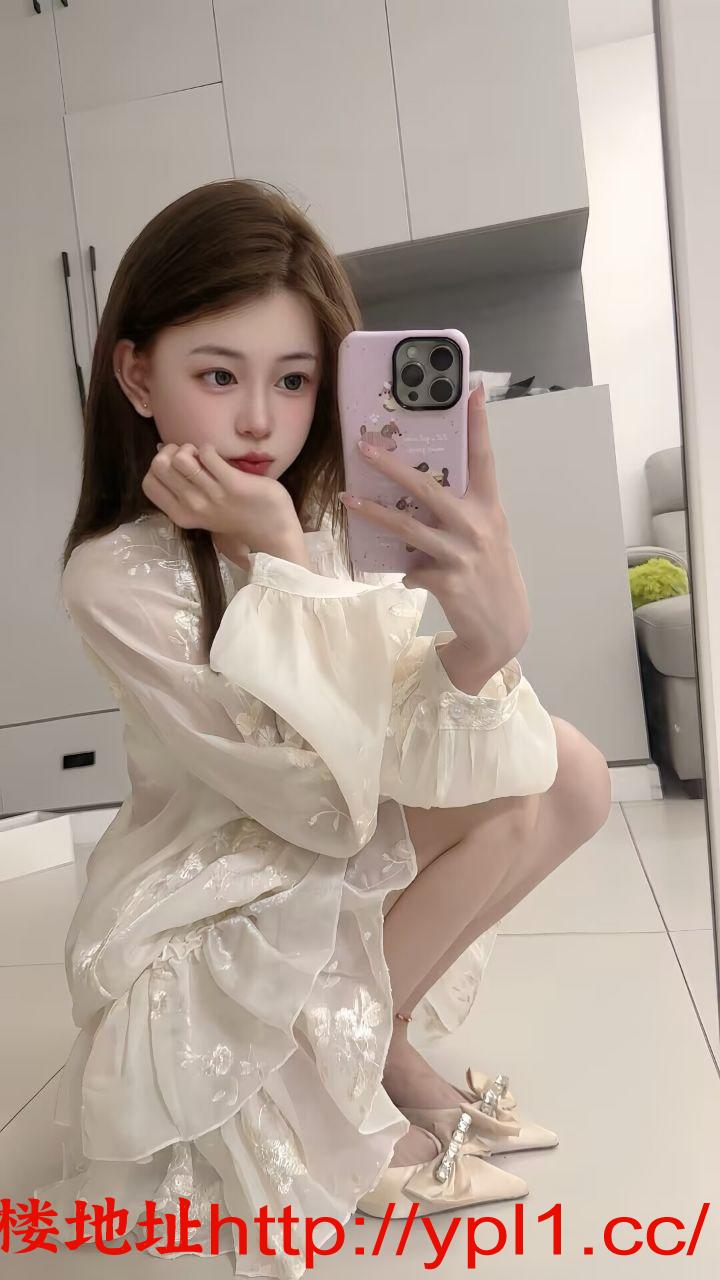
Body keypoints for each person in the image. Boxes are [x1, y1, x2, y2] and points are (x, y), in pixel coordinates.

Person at [33, 179, 610, 1276]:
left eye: (294, 380)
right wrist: (281, 557)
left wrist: (485, 639)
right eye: (219, 376)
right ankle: (352, 1065)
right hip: (220, 871)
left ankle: (377, 1036)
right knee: (507, 792)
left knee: (570, 773)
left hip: (328, 834)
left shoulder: (326, 519)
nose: (260, 419)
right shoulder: (116, 576)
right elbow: (310, 795)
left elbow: (396, 739)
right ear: (137, 375)